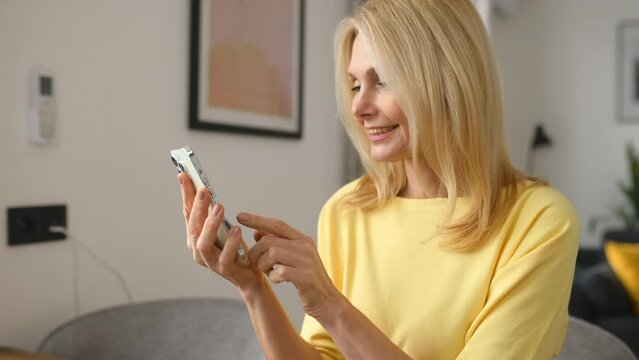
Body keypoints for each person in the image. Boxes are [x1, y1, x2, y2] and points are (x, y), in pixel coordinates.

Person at [177, 0, 580, 359]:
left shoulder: (538, 222)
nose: (357, 106)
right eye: (354, 84)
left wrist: (330, 304)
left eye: (382, 80)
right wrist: (253, 289)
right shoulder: (347, 210)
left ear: (451, 81)